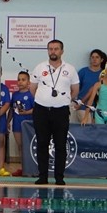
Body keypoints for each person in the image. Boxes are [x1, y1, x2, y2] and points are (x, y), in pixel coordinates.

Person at [29, 40, 79, 185]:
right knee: (42, 143)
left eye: (56, 49)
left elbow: (75, 90)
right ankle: (43, 176)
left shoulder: (70, 69)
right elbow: (33, 88)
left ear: (62, 51)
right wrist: (44, 99)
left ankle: (59, 177)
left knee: (60, 145)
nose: (53, 51)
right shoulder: (40, 67)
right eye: (50, 49)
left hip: (61, 111)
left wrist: (63, 100)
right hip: (41, 111)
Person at [9, 70, 33, 173]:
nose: (20, 82)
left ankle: (31, 168)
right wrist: (7, 122)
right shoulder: (15, 95)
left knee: (29, 147)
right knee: (20, 146)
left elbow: (36, 109)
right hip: (17, 124)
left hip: (29, 125)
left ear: (28, 82)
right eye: (19, 79)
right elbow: (11, 109)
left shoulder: (31, 94)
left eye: (23, 80)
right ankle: (23, 168)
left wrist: (26, 112)